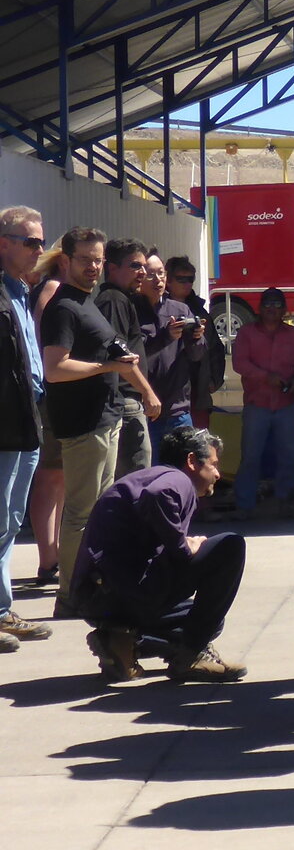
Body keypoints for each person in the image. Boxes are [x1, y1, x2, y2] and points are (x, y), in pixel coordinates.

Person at [76, 426, 246, 684]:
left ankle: (120, 640)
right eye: (212, 465)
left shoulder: (147, 477)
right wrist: (184, 546)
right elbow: (158, 495)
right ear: (191, 461)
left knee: (208, 622)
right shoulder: (176, 480)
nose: (217, 474)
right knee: (230, 547)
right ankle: (189, 655)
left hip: (101, 598)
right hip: (122, 591)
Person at [42, 227, 144, 618]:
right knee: (81, 514)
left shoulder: (87, 303)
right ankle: (69, 594)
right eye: (86, 259)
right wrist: (108, 367)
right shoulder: (65, 307)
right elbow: (55, 368)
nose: (94, 267)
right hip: (84, 425)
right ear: (66, 260)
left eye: (98, 259)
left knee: (96, 512)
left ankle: (87, 585)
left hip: (104, 419)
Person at [0, 207, 48, 651]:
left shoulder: (20, 291)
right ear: (4, 243)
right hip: (6, 423)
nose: (39, 249)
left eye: (40, 241)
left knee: (10, 521)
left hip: (25, 419)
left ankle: (1, 609)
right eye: (30, 241)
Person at [231, 287, 294, 521]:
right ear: (259, 308)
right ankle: (245, 506)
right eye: (267, 305)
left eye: (277, 305)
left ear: (284, 309)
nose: (272, 309)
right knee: (251, 456)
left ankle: (287, 502)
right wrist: (267, 377)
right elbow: (239, 364)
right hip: (257, 404)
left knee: (288, 455)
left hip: (285, 404)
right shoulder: (246, 334)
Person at [23, 243, 70, 593]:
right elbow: (38, 337)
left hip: (57, 394)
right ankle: (48, 559)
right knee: (52, 478)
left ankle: (53, 558)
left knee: (60, 480)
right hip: (52, 396)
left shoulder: (54, 287)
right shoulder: (53, 288)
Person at [94, 237, 163, 477]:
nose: (142, 273)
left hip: (128, 402)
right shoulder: (113, 300)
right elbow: (120, 355)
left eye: (144, 266)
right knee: (135, 478)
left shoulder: (123, 299)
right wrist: (147, 392)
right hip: (126, 402)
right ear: (112, 268)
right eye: (135, 266)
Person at [139, 252, 200, 450]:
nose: (158, 280)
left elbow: (198, 355)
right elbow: (135, 356)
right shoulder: (131, 311)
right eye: (151, 274)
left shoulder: (180, 310)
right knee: (151, 474)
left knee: (184, 472)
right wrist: (165, 337)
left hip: (179, 411)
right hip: (148, 410)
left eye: (161, 274)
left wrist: (196, 338)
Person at [163, 256, 226, 430]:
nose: (186, 283)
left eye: (190, 279)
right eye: (181, 279)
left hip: (197, 389)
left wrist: (215, 379)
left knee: (198, 443)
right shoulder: (157, 308)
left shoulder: (200, 312)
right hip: (167, 389)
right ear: (168, 281)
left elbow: (216, 348)